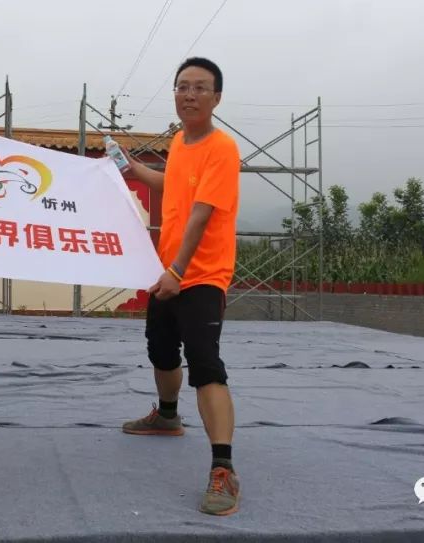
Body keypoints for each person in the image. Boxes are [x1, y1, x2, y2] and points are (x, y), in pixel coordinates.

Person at [119, 57, 241, 516]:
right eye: (182, 86)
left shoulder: (222, 149)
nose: (189, 94)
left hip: (202, 275)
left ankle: (223, 468)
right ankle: (167, 417)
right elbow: (175, 186)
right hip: (168, 271)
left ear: (216, 98)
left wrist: (177, 271)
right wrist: (134, 170)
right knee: (161, 351)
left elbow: (201, 213)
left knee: (206, 363)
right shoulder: (180, 143)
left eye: (200, 88)